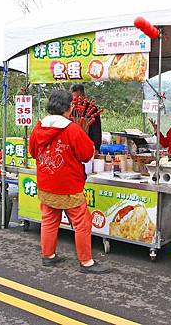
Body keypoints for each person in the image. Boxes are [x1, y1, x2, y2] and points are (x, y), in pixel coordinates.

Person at [29, 90, 111, 274]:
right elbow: (86, 154)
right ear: (69, 108)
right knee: (82, 223)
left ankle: (48, 256)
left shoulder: (38, 127)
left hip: (46, 183)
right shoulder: (72, 129)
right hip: (68, 185)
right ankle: (86, 262)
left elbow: (33, 152)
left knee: (49, 220)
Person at [70, 84, 102, 152]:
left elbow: (96, 130)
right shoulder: (69, 109)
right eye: (73, 96)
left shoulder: (92, 109)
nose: (75, 99)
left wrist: (96, 147)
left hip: (88, 144)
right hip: (72, 144)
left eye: (78, 97)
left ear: (84, 96)